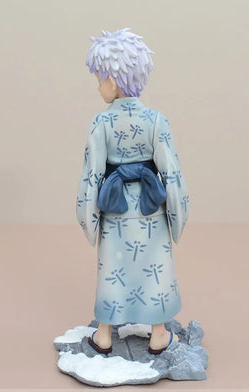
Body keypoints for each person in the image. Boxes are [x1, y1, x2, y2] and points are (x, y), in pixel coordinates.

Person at [77, 28, 189, 354]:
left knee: (112, 267)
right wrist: (178, 213)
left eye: (99, 79)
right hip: (150, 205)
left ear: (112, 80)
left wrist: (88, 216)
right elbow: (172, 171)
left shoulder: (101, 123)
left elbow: (92, 174)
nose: (98, 86)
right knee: (156, 263)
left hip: (115, 206)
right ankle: (158, 333)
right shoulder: (156, 120)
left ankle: (104, 335)